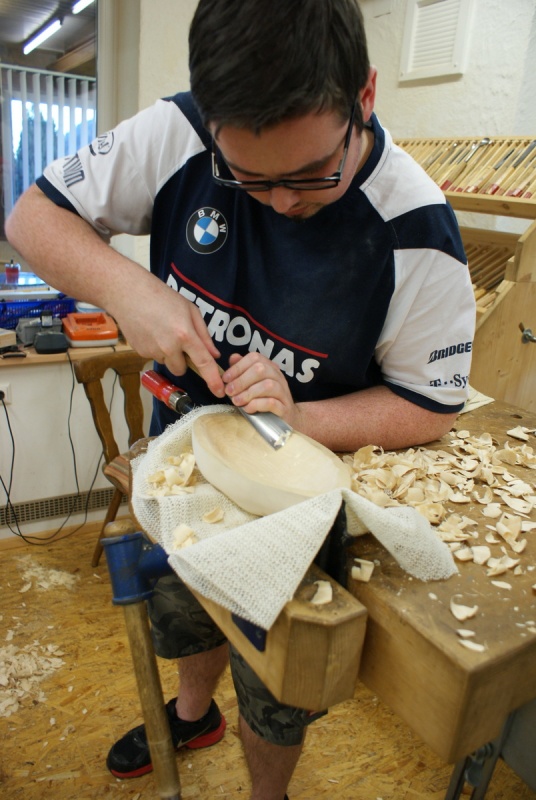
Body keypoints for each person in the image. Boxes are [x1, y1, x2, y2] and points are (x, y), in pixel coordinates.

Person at [5, 0, 476, 797]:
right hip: (184, 456)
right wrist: (129, 291)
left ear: (363, 97)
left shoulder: (418, 234)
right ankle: (193, 715)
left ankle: (267, 791)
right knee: (187, 608)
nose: (281, 204)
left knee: (274, 677)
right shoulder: (180, 131)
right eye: (249, 180)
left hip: (297, 495)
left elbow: (430, 408)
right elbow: (32, 216)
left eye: (311, 175)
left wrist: (302, 415)